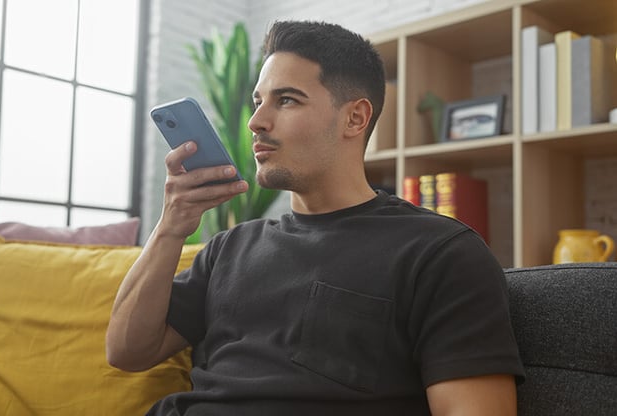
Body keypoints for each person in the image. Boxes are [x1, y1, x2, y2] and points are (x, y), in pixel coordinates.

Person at [106, 20, 524, 415]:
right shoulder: (229, 248)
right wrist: (171, 228)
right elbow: (127, 352)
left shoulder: (439, 253)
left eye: (286, 100)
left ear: (355, 118)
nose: (256, 122)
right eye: (258, 102)